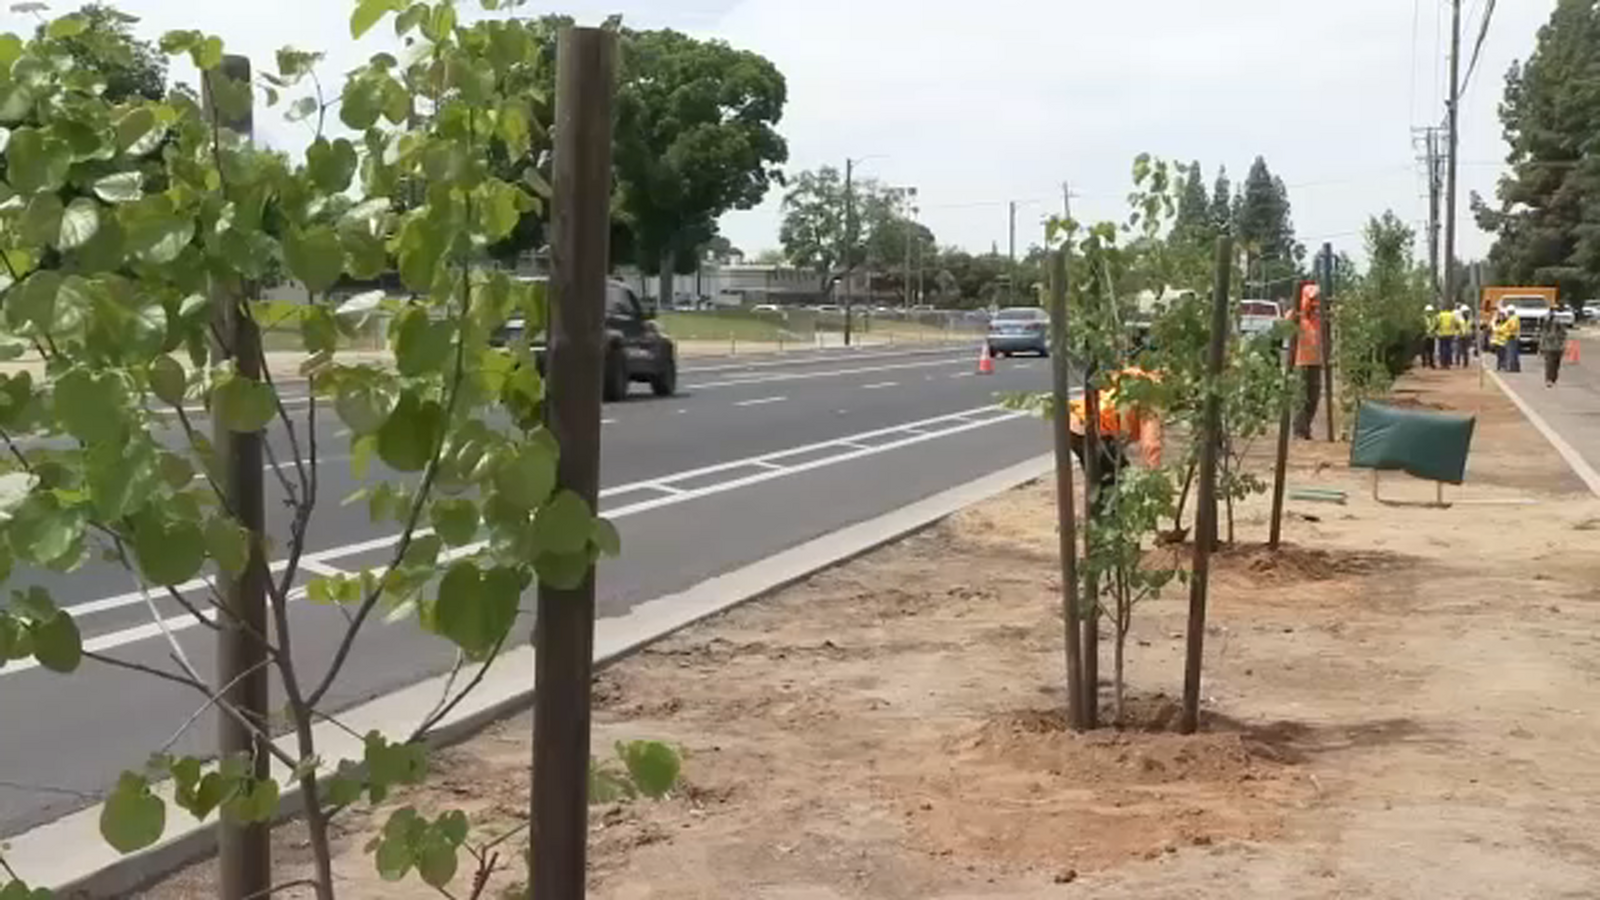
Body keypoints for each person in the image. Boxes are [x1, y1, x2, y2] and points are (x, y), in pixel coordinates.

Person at [1291, 282, 1324, 439]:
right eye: (1312, 300)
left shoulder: (1319, 319)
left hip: (1316, 363)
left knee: (1314, 397)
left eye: (1317, 300)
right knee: (1300, 397)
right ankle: (1299, 430)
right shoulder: (1296, 316)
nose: (1315, 303)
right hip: (1300, 362)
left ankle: (1306, 427)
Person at [1540, 316, 1569, 387]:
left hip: (1557, 348)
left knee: (1556, 364)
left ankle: (1553, 379)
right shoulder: (1545, 329)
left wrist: (1563, 345)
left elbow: (1564, 335)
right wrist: (1541, 347)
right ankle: (1549, 379)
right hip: (1549, 348)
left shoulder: (1560, 328)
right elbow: (1542, 338)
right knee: (1549, 364)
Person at [1435, 304, 1462, 370]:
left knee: (1442, 349)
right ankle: (1448, 364)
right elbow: (1457, 324)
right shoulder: (1451, 315)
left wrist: (1436, 331)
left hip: (1442, 334)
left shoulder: (1440, 315)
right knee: (1449, 349)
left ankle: (1443, 364)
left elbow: (1436, 324)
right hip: (1450, 334)